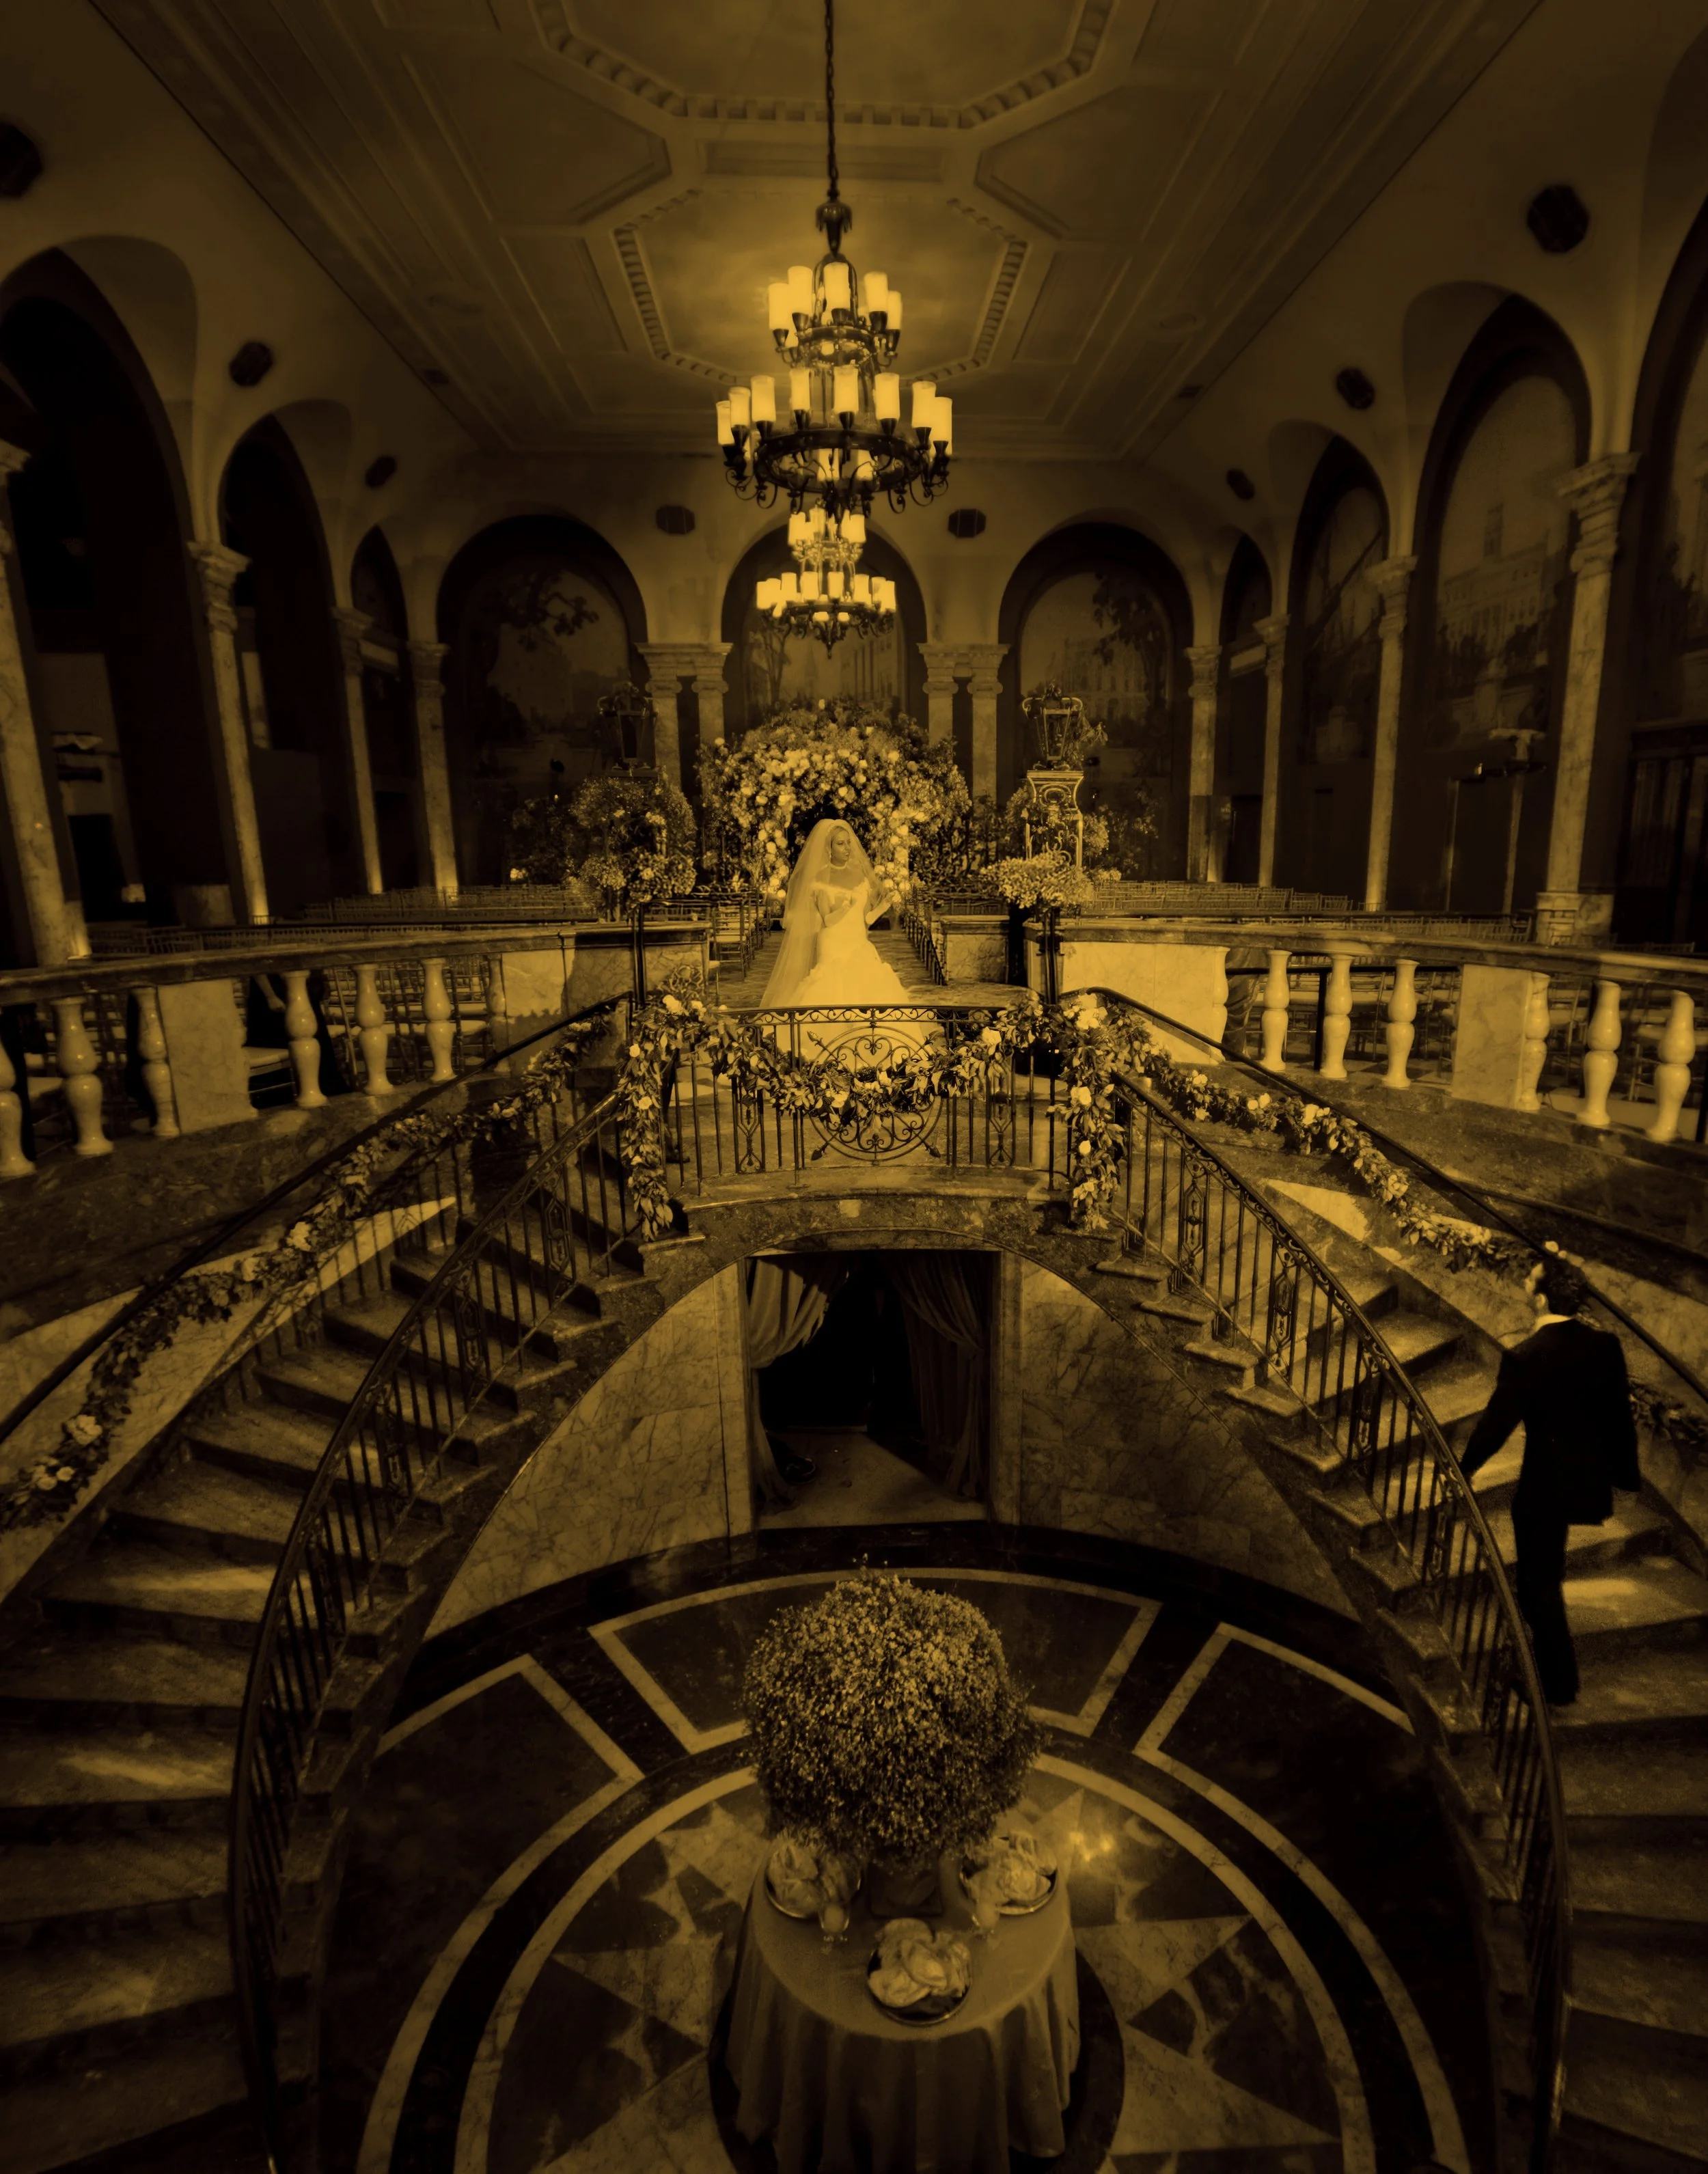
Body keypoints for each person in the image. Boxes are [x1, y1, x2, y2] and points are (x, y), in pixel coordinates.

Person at [1458, 1250, 1640, 1707]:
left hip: (1543, 1488)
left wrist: (1463, 1469)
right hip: (1585, 1483)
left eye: (1530, 1279)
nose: (1524, 1282)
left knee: (1536, 1585)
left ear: (1541, 1299)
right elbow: (1619, 1418)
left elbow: (1495, 1426)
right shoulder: (1605, 1346)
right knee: (1547, 1576)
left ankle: (1557, 1685)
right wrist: (1624, 1477)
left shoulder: (1527, 1357)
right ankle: (1551, 1674)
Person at [758, 820, 913, 1008]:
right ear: (829, 848)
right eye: (840, 844)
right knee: (833, 990)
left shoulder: (860, 875)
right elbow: (828, 921)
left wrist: (884, 905)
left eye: (848, 843)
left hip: (858, 943)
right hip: (833, 944)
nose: (847, 848)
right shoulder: (821, 878)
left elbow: (867, 919)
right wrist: (846, 908)